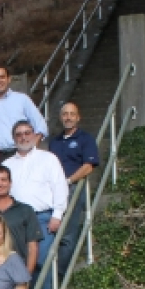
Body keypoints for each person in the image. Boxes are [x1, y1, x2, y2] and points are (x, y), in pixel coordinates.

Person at [4, 119, 71, 289]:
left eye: (27, 133)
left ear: (34, 135)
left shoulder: (48, 159)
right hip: (14, 219)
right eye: (19, 134)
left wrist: (57, 214)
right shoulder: (6, 165)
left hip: (42, 217)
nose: (24, 137)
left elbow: (60, 186)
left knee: (40, 263)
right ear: (13, 139)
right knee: (14, 266)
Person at [50, 100, 101, 268]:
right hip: (52, 190)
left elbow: (88, 166)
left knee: (67, 234)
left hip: (72, 188)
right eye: (65, 114)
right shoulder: (54, 142)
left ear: (78, 118)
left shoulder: (85, 139)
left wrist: (68, 181)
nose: (68, 117)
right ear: (60, 117)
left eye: (72, 114)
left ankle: (61, 274)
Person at [0, 65, 46, 153]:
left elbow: (41, 126)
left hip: (18, 152)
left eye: (2, 77)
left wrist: (31, 151)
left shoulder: (22, 99)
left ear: (9, 79)